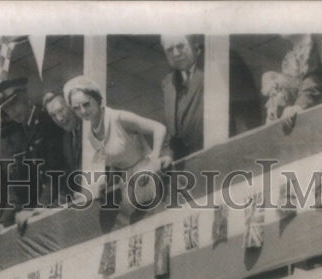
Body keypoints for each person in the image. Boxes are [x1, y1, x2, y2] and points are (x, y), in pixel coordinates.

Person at [63, 76, 166, 223]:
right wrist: (104, 183)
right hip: (128, 187)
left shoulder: (119, 117)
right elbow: (112, 161)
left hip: (148, 178)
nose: (83, 111)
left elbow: (159, 128)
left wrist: (154, 159)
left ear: (97, 100)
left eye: (86, 104)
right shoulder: (91, 135)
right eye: (76, 108)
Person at [0, 77, 66, 227]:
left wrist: (42, 204)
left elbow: (55, 169)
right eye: (7, 109)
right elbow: (21, 183)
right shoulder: (24, 130)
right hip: (45, 206)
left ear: (26, 97)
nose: (12, 111)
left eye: (14, 104)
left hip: (61, 200)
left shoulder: (46, 120)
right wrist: (4, 222)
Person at [159, 35, 205, 165]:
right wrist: (167, 154)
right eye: (169, 50)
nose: (176, 53)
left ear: (194, 44)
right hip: (186, 167)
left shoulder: (212, 70)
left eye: (180, 46)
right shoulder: (167, 84)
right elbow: (169, 130)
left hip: (215, 157)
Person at [41, 90, 83, 204]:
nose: (59, 119)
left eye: (60, 110)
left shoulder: (90, 128)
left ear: (71, 106)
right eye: (53, 115)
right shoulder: (65, 139)